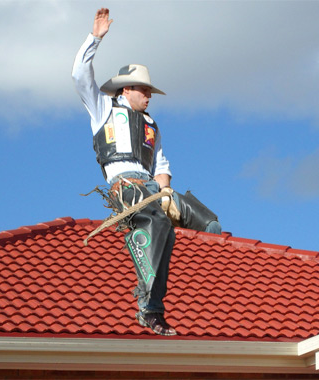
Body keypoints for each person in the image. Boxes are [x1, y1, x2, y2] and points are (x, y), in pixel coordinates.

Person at [72, 8, 221, 336]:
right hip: (125, 186)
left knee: (210, 223)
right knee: (155, 222)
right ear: (126, 89)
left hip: (153, 188)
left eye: (150, 90)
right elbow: (80, 75)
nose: (149, 95)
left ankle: (202, 287)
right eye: (144, 89)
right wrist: (95, 37)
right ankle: (149, 306)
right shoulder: (103, 109)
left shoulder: (153, 126)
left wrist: (166, 191)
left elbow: (162, 164)